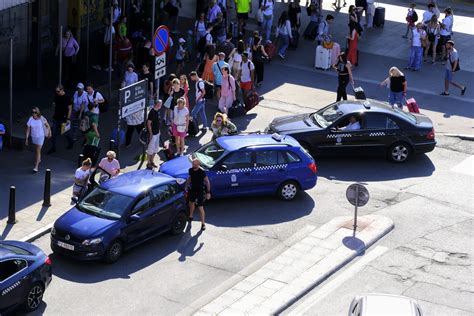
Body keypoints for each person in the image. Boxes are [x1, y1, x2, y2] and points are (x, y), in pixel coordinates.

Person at [185, 159, 211, 231]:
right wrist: (186, 187)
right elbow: (190, 179)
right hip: (193, 190)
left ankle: (203, 224)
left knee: (200, 207)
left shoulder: (202, 172)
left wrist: (208, 192)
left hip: (200, 191)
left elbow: (207, 182)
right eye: (193, 164)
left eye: (195, 165)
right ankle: (191, 216)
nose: (194, 166)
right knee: (191, 203)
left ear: (198, 165)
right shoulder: (190, 170)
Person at [48, 84, 73, 154]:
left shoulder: (67, 97)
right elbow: (54, 103)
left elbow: (70, 108)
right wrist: (54, 105)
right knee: (53, 133)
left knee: (65, 133)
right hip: (56, 117)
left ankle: (71, 142)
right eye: (56, 91)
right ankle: (53, 147)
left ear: (62, 90)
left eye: (58, 91)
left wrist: (68, 118)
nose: (57, 92)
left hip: (64, 118)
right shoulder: (56, 96)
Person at [26, 107, 50, 172]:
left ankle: (36, 167)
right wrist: (26, 139)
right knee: (36, 150)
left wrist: (49, 132)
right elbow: (28, 129)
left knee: (38, 150)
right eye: (32, 112)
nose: (34, 113)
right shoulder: (30, 119)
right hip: (34, 137)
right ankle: (38, 160)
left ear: (38, 112)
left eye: (35, 112)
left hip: (40, 136)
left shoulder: (42, 118)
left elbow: (48, 125)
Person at [146, 100, 162, 169]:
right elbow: (149, 123)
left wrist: (159, 131)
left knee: (156, 149)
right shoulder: (152, 112)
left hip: (157, 133)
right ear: (156, 104)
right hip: (153, 134)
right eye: (159, 104)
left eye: (160, 104)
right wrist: (151, 133)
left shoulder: (158, 111)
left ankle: (152, 161)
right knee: (150, 149)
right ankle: (149, 163)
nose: (160, 105)